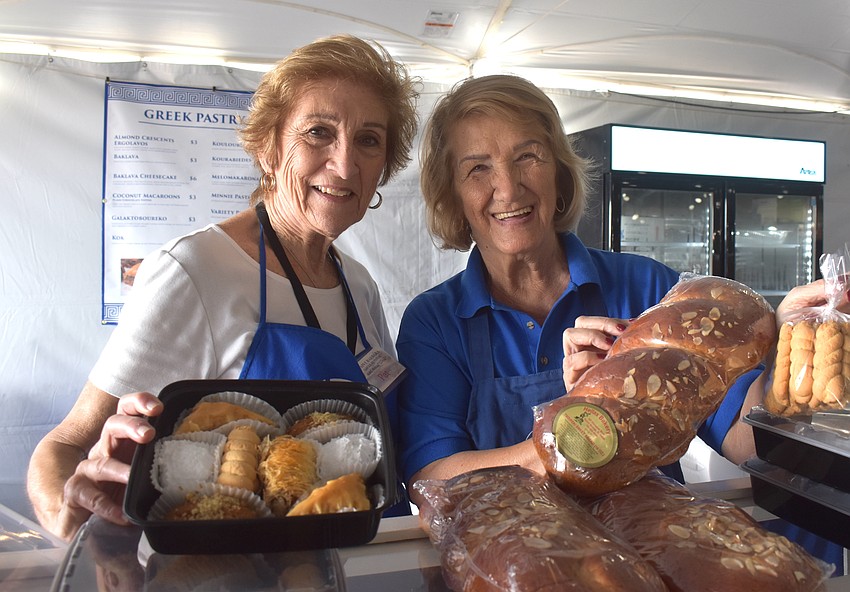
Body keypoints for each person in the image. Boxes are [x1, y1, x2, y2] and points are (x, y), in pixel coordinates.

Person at [27, 34, 419, 541]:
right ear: (269, 148)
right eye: (319, 132)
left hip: (362, 563)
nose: (345, 165)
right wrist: (67, 514)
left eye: (369, 140)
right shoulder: (194, 270)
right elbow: (64, 447)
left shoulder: (357, 284)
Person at [395, 74, 847, 505]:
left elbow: (744, 440)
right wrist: (590, 429)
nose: (508, 189)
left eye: (527, 157)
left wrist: (794, 345)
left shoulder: (649, 287)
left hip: (651, 554)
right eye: (478, 168)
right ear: (451, 192)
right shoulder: (435, 321)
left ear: (559, 172)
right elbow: (432, 478)